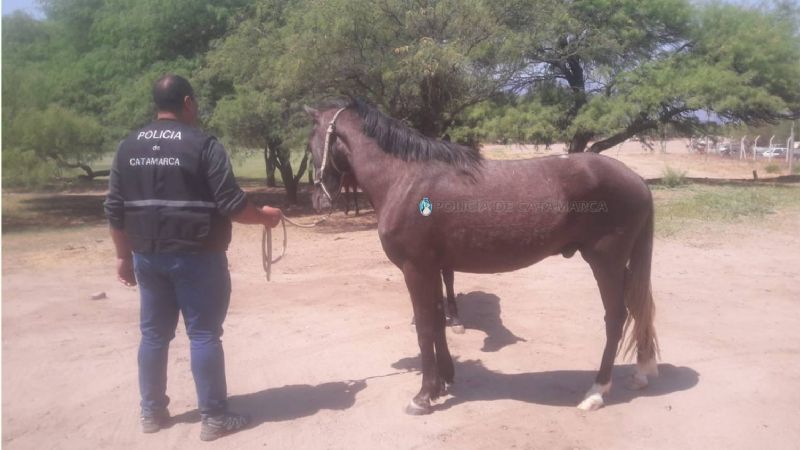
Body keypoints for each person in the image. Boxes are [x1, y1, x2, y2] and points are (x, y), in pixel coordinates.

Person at [104, 74, 282, 441]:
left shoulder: (127, 147)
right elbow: (232, 205)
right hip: (198, 256)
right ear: (187, 102)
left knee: (153, 335)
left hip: (147, 256)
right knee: (203, 334)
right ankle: (214, 417)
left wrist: (123, 257)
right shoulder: (204, 145)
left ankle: (152, 412)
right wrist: (265, 217)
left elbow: (114, 209)